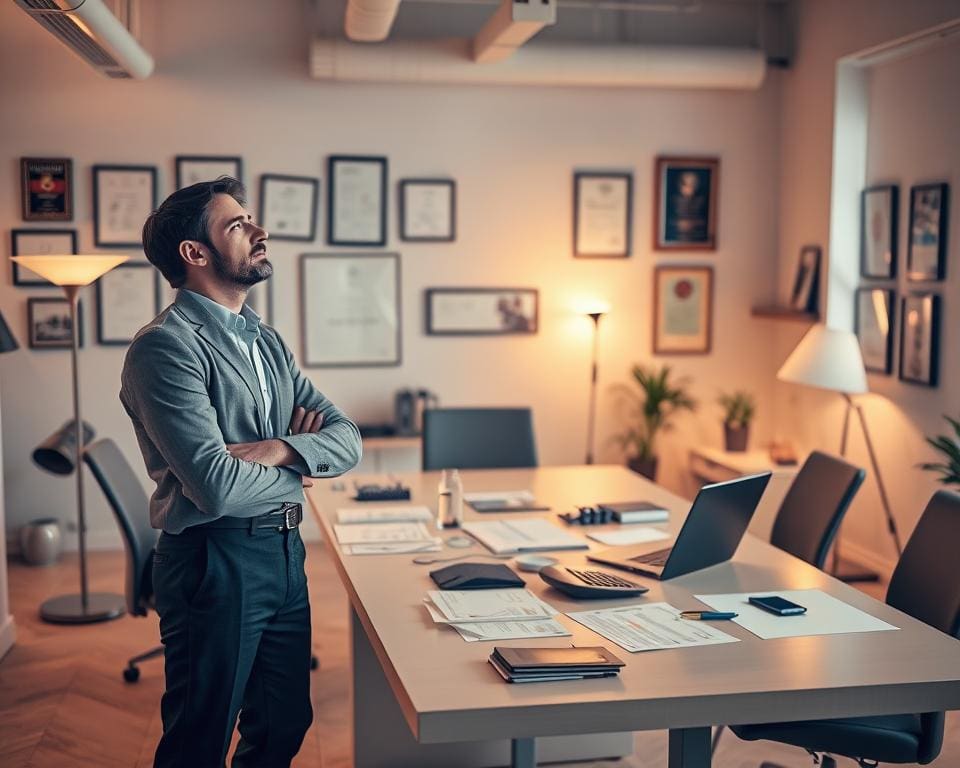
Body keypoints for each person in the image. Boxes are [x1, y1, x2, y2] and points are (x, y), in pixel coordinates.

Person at [120, 177, 362, 768]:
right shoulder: (165, 348)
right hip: (213, 560)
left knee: (283, 725)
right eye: (237, 225)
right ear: (194, 253)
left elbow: (348, 438)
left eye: (251, 219)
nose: (260, 232)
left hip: (284, 553)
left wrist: (281, 450)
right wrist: (303, 469)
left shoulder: (267, 341)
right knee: (198, 737)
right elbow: (219, 487)